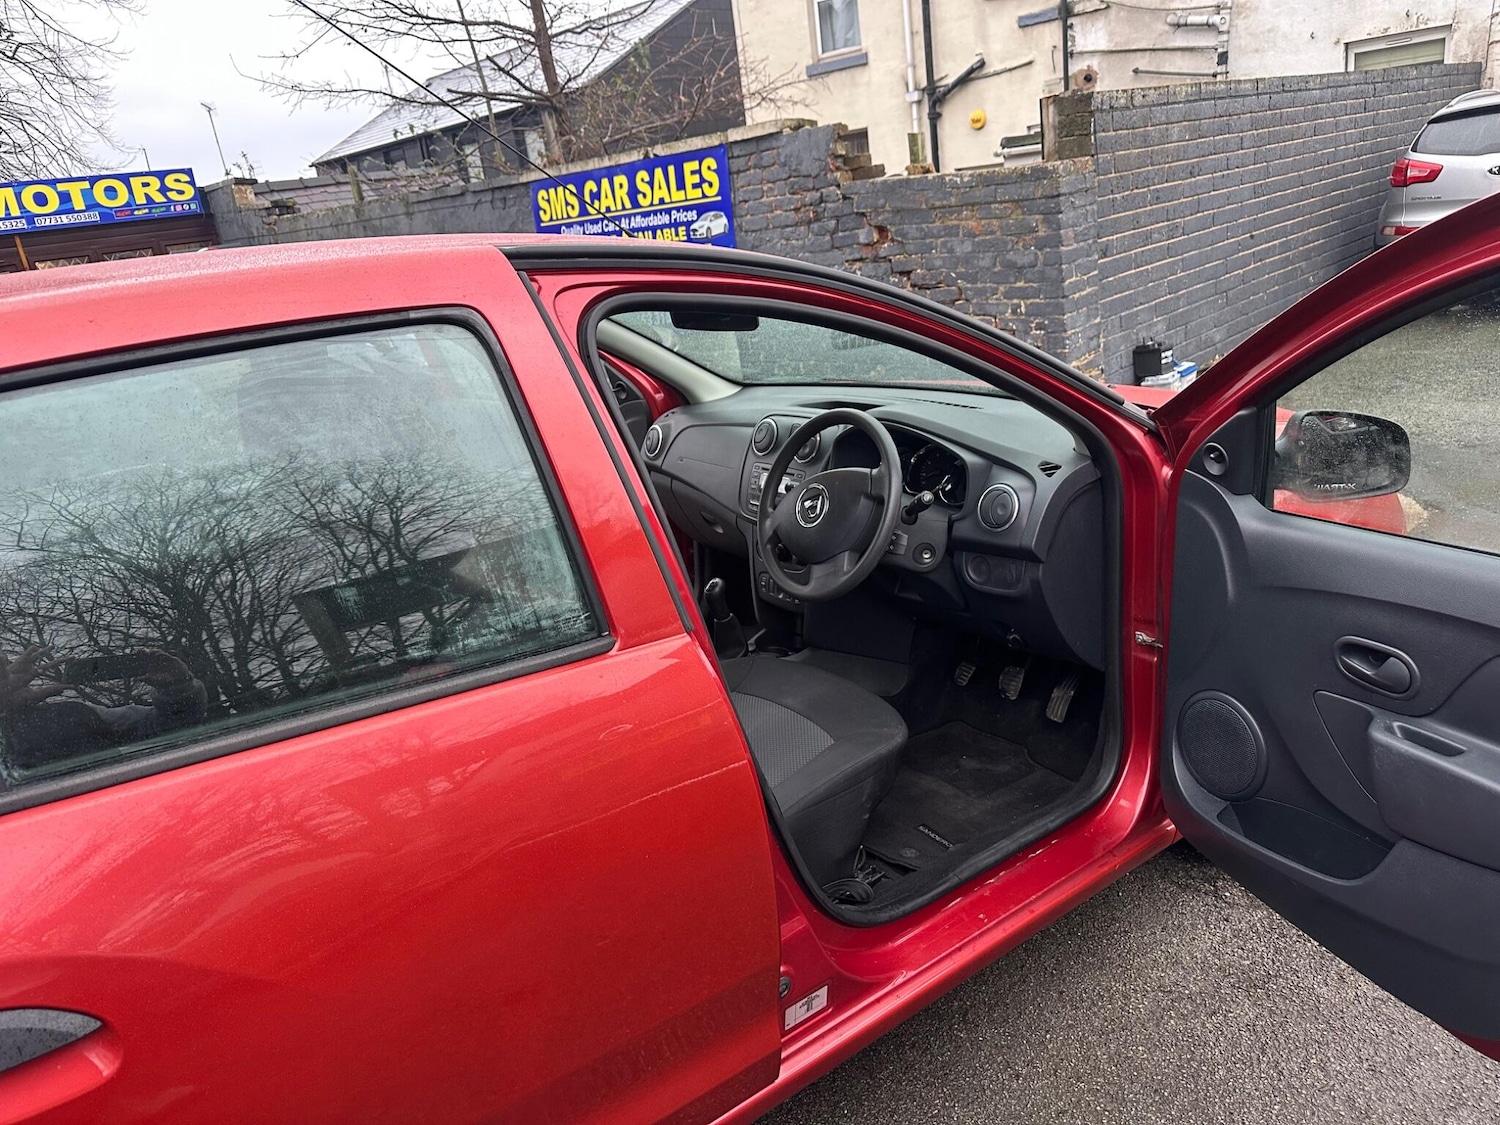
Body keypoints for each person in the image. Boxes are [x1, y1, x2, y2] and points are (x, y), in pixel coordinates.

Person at [0, 645, 207, 776]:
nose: (10, 671)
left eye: (5, 664)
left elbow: (170, 727)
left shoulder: (74, 715)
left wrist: (178, 687)